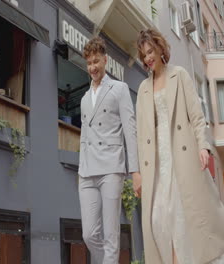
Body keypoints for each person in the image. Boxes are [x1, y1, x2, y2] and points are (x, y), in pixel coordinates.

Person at [133, 28, 224, 264]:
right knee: (159, 220)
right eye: (144, 54)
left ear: (160, 48)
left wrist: (203, 146)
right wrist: (138, 172)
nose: (148, 57)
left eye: (151, 51)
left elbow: (197, 116)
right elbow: (141, 135)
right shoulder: (143, 89)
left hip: (182, 155)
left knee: (182, 219)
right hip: (156, 163)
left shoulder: (179, 75)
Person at [78, 36, 140, 264]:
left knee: (111, 235)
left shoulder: (120, 89)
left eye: (96, 61)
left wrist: (135, 171)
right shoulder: (85, 99)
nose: (92, 67)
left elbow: (130, 131)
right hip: (87, 171)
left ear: (105, 60)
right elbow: (84, 136)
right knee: (89, 234)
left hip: (111, 168)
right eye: (89, 63)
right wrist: (81, 167)